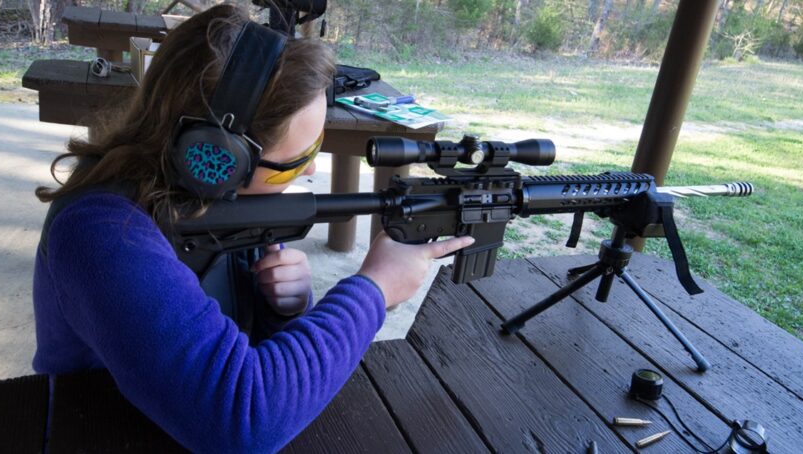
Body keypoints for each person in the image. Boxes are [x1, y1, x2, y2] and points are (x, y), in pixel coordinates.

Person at [32, 4, 473, 452]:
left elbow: (256, 356)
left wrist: (281, 308)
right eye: (294, 162)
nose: (309, 171)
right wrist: (374, 289)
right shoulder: (101, 232)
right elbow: (243, 421)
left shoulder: (223, 200)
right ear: (215, 157)